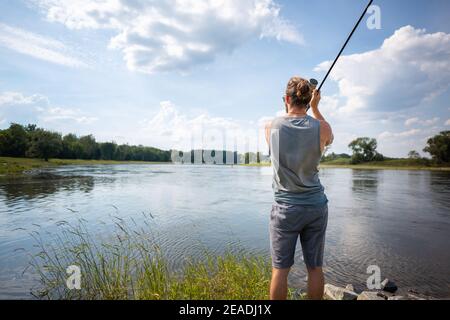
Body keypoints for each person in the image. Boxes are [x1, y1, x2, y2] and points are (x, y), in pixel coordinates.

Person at [265, 76, 334, 300]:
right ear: (308, 99)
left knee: (280, 270)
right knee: (315, 268)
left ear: (286, 98)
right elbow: (330, 139)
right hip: (315, 207)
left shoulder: (270, 126)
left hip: (285, 208)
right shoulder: (321, 127)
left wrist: (297, 107)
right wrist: (315, 108)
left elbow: (283, 130)